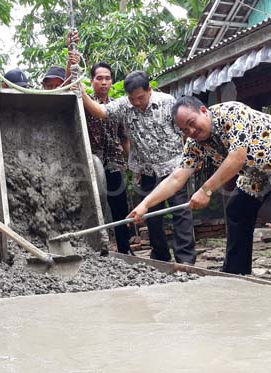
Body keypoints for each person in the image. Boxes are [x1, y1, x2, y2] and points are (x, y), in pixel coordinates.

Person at [128, 96, 271, 285]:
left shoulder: (232, 113)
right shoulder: (194, 145)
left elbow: (237, 158)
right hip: (256, 171)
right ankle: (236, 272)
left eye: (192, 123)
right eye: (184, 130)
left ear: (203, 111)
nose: (191, 131)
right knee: (237, 208)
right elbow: (176, 178)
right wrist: (144, 205)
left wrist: (206, 190)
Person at [82, 71, 196, 264]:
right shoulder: (124, 105)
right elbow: (101, 112)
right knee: (151, 216)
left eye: (140, 97)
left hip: (173, 168)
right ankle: (160, 257)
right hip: (146, 171)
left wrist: (188, 160)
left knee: (180, 212)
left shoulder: (168, 102)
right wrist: (81, 93)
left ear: (149, 90)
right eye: (132, 98)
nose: (136, 102)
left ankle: (186, 260)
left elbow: (184, 132)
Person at [83, 62, 133, 255]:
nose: (104, 82)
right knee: (94, 206)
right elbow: (70, 83)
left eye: (107, 78)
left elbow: (124, 137)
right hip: (89, 163)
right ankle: (95, 248)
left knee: (119, 206)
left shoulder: (117, 105)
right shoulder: (83, 102)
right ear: (92, 80)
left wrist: (130, 164)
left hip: (114, 162)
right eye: (99, 78)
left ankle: (124, 248)